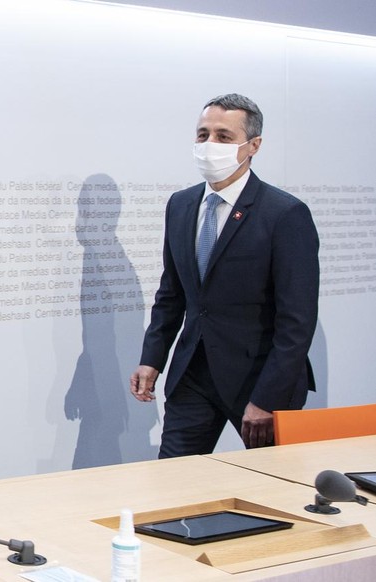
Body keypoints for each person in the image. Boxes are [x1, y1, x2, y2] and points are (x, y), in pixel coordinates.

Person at [129, 93, 319, 458]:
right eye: (203, 135)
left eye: (223, 136)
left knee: (273, 490)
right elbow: (172, 293)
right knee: (173, 483)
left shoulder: (284, 214)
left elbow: (297, 321)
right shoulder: (181, 205)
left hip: (260, 380)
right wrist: (153, 358)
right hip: (193, 376)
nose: (209, 145)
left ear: (254, 146)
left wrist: (267, 399)